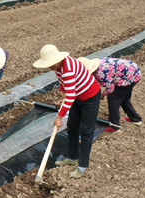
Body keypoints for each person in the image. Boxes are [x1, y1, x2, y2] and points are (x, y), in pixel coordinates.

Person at [33, 44, 101, 179]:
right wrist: (62, 91)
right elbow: (63, 81)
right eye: (48, 64)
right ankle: (73, 157)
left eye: (52, 63)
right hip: (77, 96)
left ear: (58, 59)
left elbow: (71, 96)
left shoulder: (68, 69)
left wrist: (59, 117)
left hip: (90, 97)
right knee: (72, 126)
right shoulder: (58, 66)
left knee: (86, 130)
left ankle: (82, 166)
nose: (50, 67)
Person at [79, 57, 143, 132]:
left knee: (113, 99)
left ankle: (114, 126)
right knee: (123, 98)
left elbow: (110, 88)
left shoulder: (101, 73)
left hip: (130, 76)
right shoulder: (97, 64)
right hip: (132, 71)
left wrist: (103, 94)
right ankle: (135, 119)